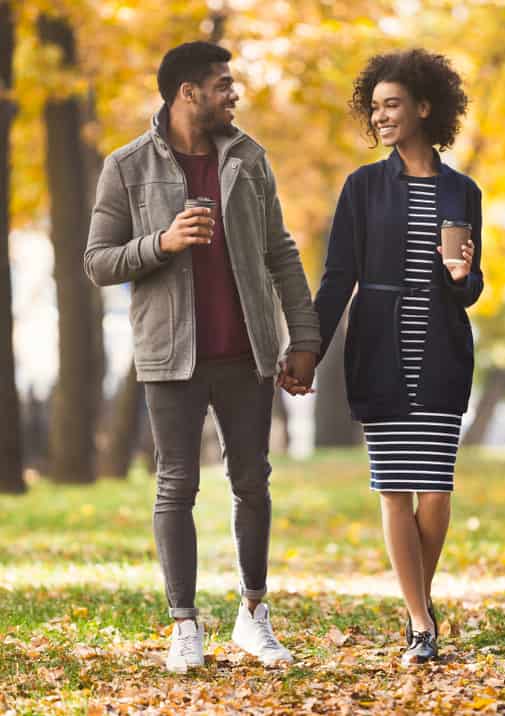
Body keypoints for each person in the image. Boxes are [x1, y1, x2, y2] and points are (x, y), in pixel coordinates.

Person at [84, 42, 320, 673]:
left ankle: (253, 614)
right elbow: (98, 261)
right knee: (176, 485)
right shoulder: (127, 166)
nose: (232, 94)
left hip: (247, 353)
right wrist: (160, 242)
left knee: (252, 483)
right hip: (170, 356)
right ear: (187, 92)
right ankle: (184, 623)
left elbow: (281, 254)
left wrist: (304, 338)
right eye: (222, 85)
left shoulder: (248, 158)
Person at [310, 48, 482, 666]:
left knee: (434, 493)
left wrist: (462, 275)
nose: (381, 117)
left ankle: (419, 604)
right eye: (375, 107)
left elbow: (469, 287)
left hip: (440, 352)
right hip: (380, 350)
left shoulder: (464, 191)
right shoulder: (361, 187)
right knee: (394, 493)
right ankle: (420, 622)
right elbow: (337, 279)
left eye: (393, 105)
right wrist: (308, 348)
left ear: (425, 108)